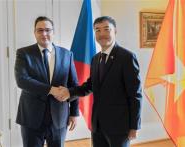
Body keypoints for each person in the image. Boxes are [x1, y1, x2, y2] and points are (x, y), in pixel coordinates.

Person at [54, 16, 142, 147]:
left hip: (119, 126)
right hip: (98, 125)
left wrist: (134, 126)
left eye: (106, 29)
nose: (102, 34)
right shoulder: (96, 59)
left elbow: (135, 95)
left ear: (115, 31)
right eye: (97, 30)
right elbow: (90, 85)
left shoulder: (127, 57)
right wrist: (69, 92)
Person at [14, 16, 79, 147]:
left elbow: (74, 85)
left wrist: (74, 113)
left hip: (59, 119)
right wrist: (51, 90)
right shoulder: (23, 53)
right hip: (31, 118)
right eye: (40, 30)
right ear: (34, 32)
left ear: (53, 32)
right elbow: (22, 81)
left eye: (48, 30)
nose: (44, 34)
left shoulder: (67, 54)